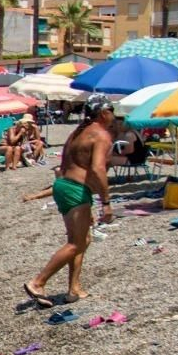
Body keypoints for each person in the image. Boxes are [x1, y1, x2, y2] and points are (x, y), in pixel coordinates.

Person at [24, 95, 114, 308]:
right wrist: (106, 202)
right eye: (111, 110)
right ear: (103, 112)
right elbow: (97, 168)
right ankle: (38, 282)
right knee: (76, 243)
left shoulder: (78, 132)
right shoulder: (100, 134)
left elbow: (66, 163)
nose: (114, 114)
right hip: (75, 189)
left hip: (62, 186)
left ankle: (74, 288)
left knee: (83, 239)